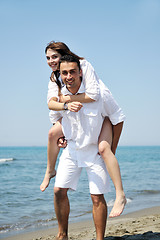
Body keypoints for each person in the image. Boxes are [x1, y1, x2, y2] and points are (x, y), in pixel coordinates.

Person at [40, 41, 126, 218]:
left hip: (106, 112)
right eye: (47, 58)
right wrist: (65, 106)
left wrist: (67, 99)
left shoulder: (83, 65)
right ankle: (50, 170)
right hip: (77, 115)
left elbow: (94, 95)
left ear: (64, 55)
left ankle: (120, 195)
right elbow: (51, 104)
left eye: (54, 56)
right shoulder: (55, 77)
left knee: (105, 150)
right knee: (53, 133)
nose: (50, 61)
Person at [53, 55, 125, 240]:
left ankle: (100, 238)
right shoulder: (60, 96)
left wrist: (111, 148)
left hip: (94, 151)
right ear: (60, 75)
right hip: (71, 150)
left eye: (72, 72)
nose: (69, 76)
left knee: (96, 197)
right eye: (64, 73)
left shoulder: (99, 93)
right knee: (59, 191)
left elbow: (118, 118)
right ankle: (63, 235)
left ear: (80, 72)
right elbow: (57, 121)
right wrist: (61, 137)